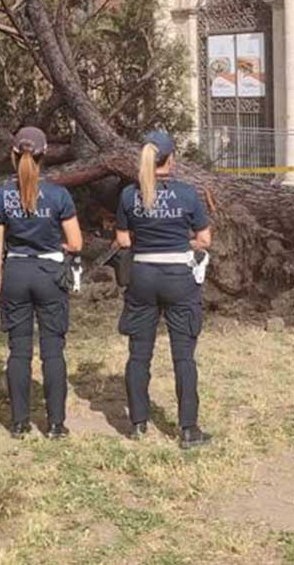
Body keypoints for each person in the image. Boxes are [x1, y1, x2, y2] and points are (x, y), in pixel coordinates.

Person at [115, 131, 213, 448]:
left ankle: (138, 424)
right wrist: (183, 243)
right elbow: (205, 239)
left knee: (138, 354)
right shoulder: (186, 194)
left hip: (142, 276)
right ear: (171, 159)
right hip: (178, 278)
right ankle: (188, 429)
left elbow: (123, 240)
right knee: (183, 356)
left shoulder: (129, 195)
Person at [0, 127, 82, 439]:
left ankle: (19, 423)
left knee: (19, 351)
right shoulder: (59, 195)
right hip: (50, 275)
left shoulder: (0, 196)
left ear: (14, 154)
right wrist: (58, 248)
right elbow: (76, 243)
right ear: (45, 155)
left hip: (15, 273)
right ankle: (56, 425)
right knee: (53, 351)